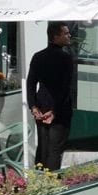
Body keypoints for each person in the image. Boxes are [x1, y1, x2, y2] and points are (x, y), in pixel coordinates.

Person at [27, 22, 74, 171]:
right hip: (58, 110)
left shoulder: (38, 56)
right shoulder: (66, 58)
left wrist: (33, 107)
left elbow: (31, 83)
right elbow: (65, 88)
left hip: (41, 107)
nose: (69, 35)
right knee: (54, 150)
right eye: (65, 33)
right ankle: (52, 184)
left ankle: (39, 181)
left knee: (43, 147)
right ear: (55, 36)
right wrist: (54, 111)